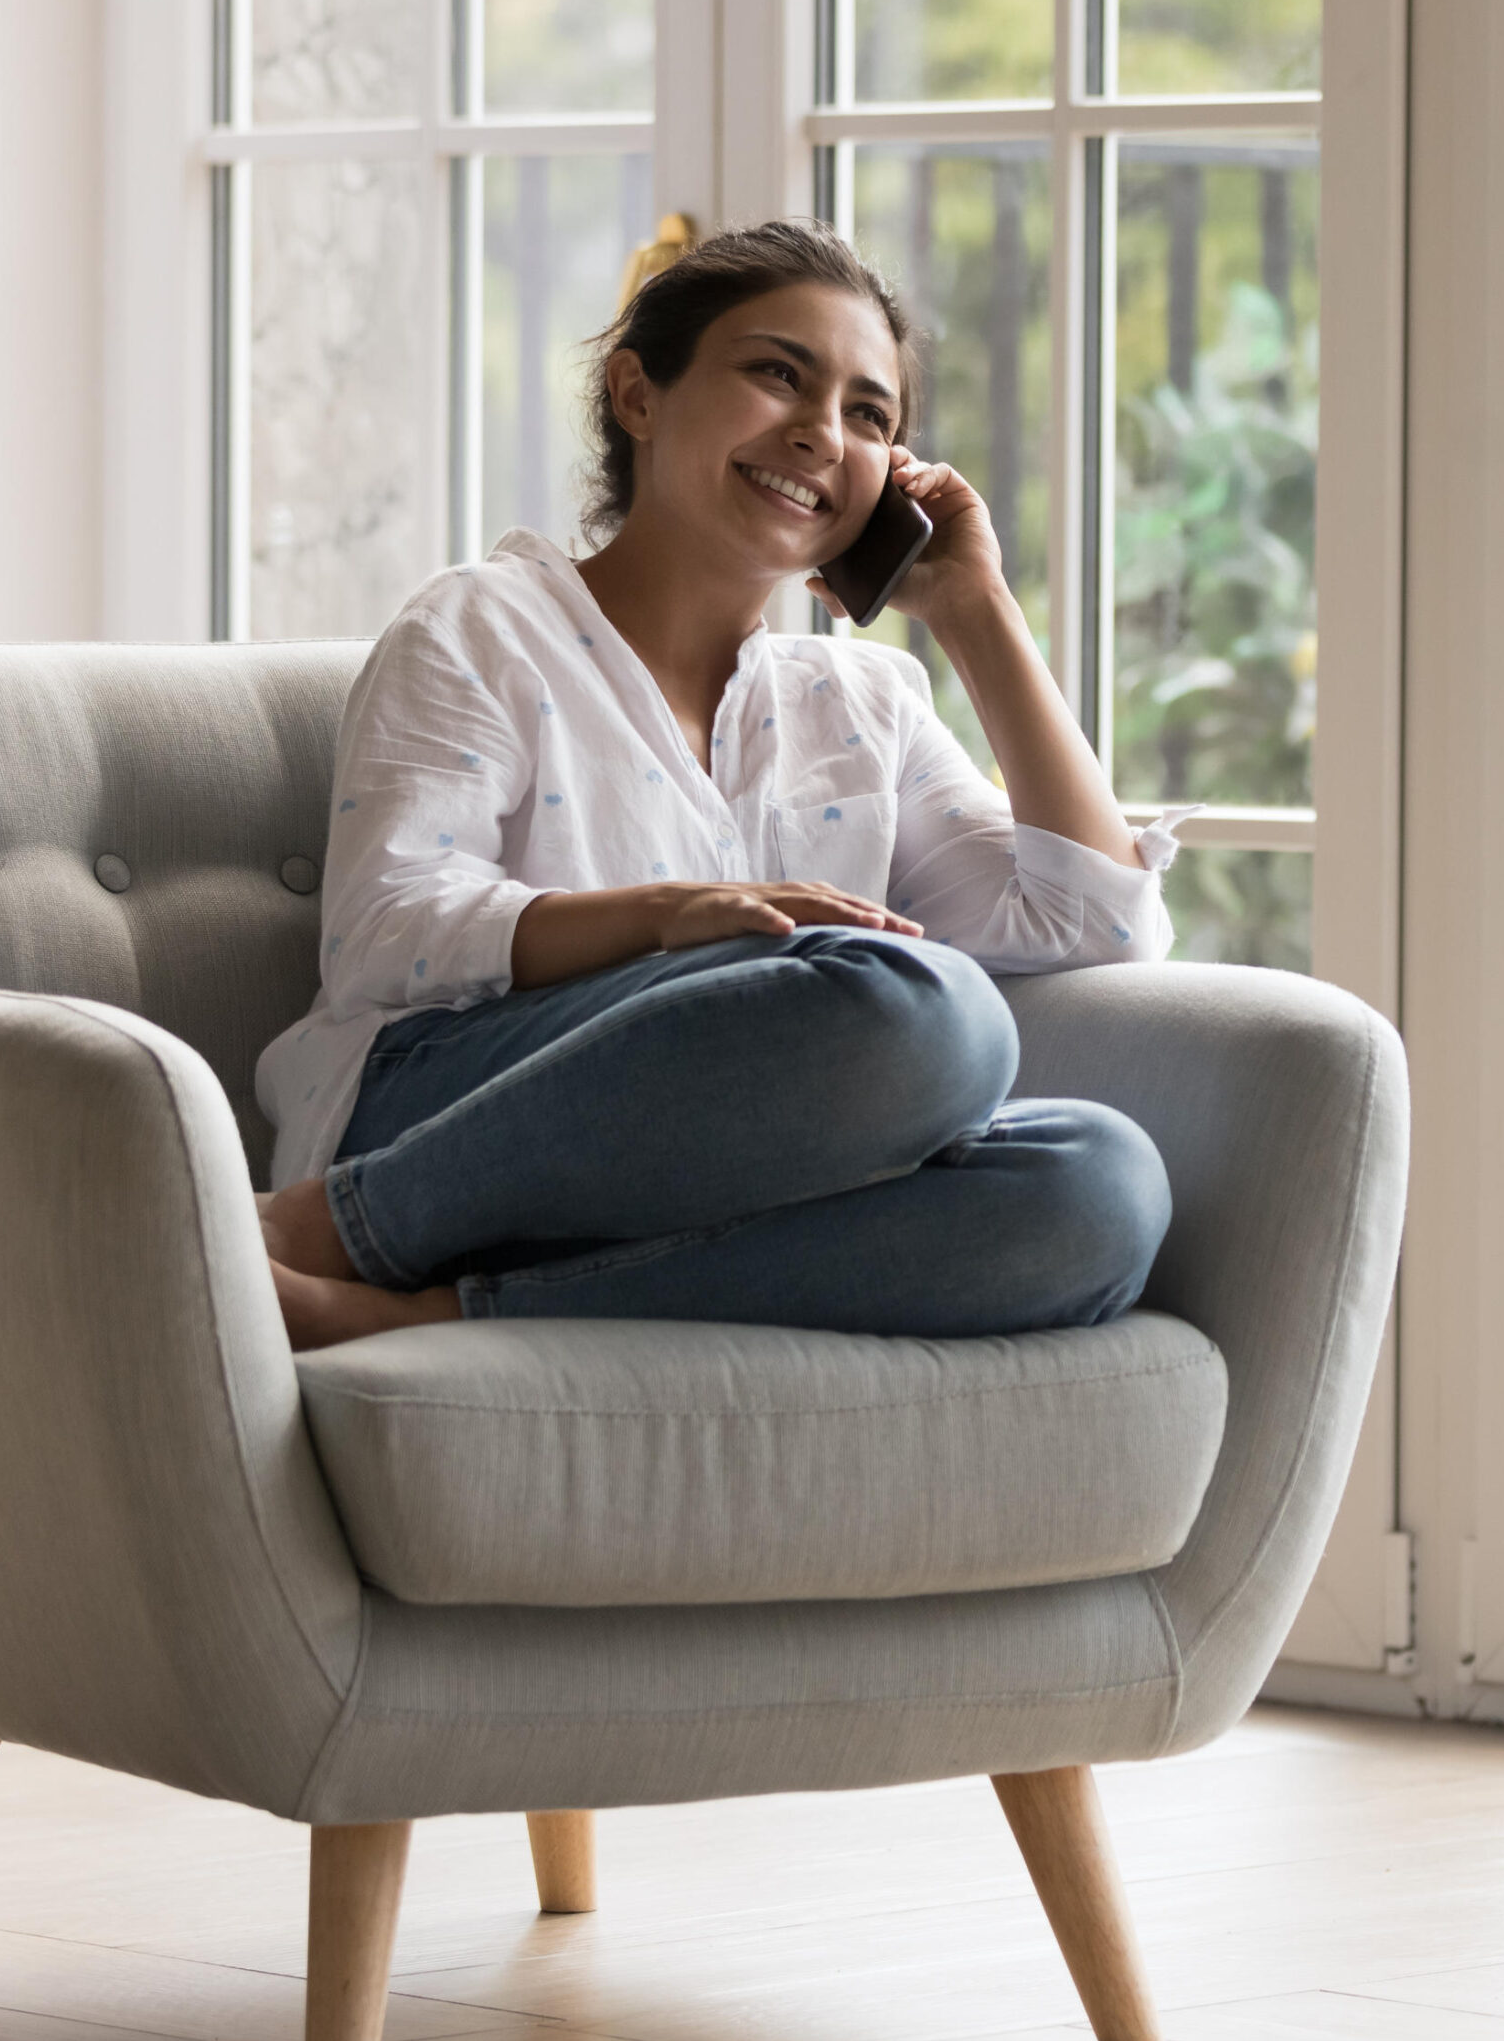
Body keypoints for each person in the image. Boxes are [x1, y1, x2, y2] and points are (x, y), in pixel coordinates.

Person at [252, 217, 1183, 1352]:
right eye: (776, 374)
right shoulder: (481, 625)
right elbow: (386, 926)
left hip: (705, 1183)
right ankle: (339, 1230)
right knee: (932, 1016)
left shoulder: (867, 703)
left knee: (1101, 1184)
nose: (819, 435)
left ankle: (422, 1314)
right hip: (446, 1114)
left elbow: (1097, 922)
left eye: (867, 416)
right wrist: (665, 921)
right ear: (637, 395)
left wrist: (976, 614)